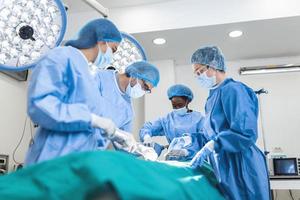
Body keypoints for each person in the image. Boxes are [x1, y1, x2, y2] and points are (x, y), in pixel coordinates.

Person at [25, 19, 134, 165]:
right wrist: (92, 120)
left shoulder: (88, 74)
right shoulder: (61, 57)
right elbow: (41, 105)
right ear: (101, 42)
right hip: (52, 160)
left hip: (80, 164)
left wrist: (116, 135)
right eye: (112, 49)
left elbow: (89, 132)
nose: (111, 56)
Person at [189, 46, 270, 200]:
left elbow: (245, 132)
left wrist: (214, 144)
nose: (198, 76)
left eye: (200, 71)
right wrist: (189, 143)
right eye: (196, 74)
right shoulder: (211, 98)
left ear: (213, 66)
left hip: (242, 164)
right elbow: (210, 135)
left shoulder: (234, 90)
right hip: (225, 164)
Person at [94, 61, 160, 148]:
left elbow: (124, 146)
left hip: (94, 153)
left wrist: (140, 149)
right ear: (135, 76)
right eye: (145, 87)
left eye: (147, 90)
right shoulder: (99, 77)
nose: (143, 91)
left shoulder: (128, 112)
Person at [139, 84, 205, 160]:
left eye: (180, 105)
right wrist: (146, 137)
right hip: (173, 159)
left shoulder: (199, 119)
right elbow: (148, 128)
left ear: (187, 101)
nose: (177, 108)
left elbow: (203, 138)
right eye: (174, 105)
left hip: (194, 159)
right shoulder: (168, 119)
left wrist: (187, 151)